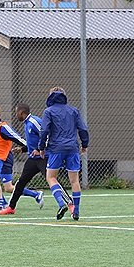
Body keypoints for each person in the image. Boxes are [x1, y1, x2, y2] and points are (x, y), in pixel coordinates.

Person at [0, 104, 72, 215]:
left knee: (52, 180)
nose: (16, 115)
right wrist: (22, 149)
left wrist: (39, 149)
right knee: (20, 182)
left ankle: (70, 204)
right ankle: (11, 208)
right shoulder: (27, 123)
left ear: (21, 113)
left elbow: (47, 136)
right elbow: (34, 142)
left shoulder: (34, 121)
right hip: (33, 159)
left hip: (44, 157)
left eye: (16, 113)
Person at [0, 110, 45, 212]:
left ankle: (36, 194)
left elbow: (14, 138)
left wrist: (27, 147)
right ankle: (3, 202)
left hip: (4, 158)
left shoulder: (0, 127)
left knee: (8, 187)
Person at [38, 87, 89, 221]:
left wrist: (41, 147)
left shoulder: (48, 111)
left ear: (50, 97)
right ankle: (76, 210)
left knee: (51, 177)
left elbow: (44, 130)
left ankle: (61, 203)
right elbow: (83, 129)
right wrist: (85, 144)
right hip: (72, 148)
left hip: (56, 148)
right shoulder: (73, 110)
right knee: (74, 180)